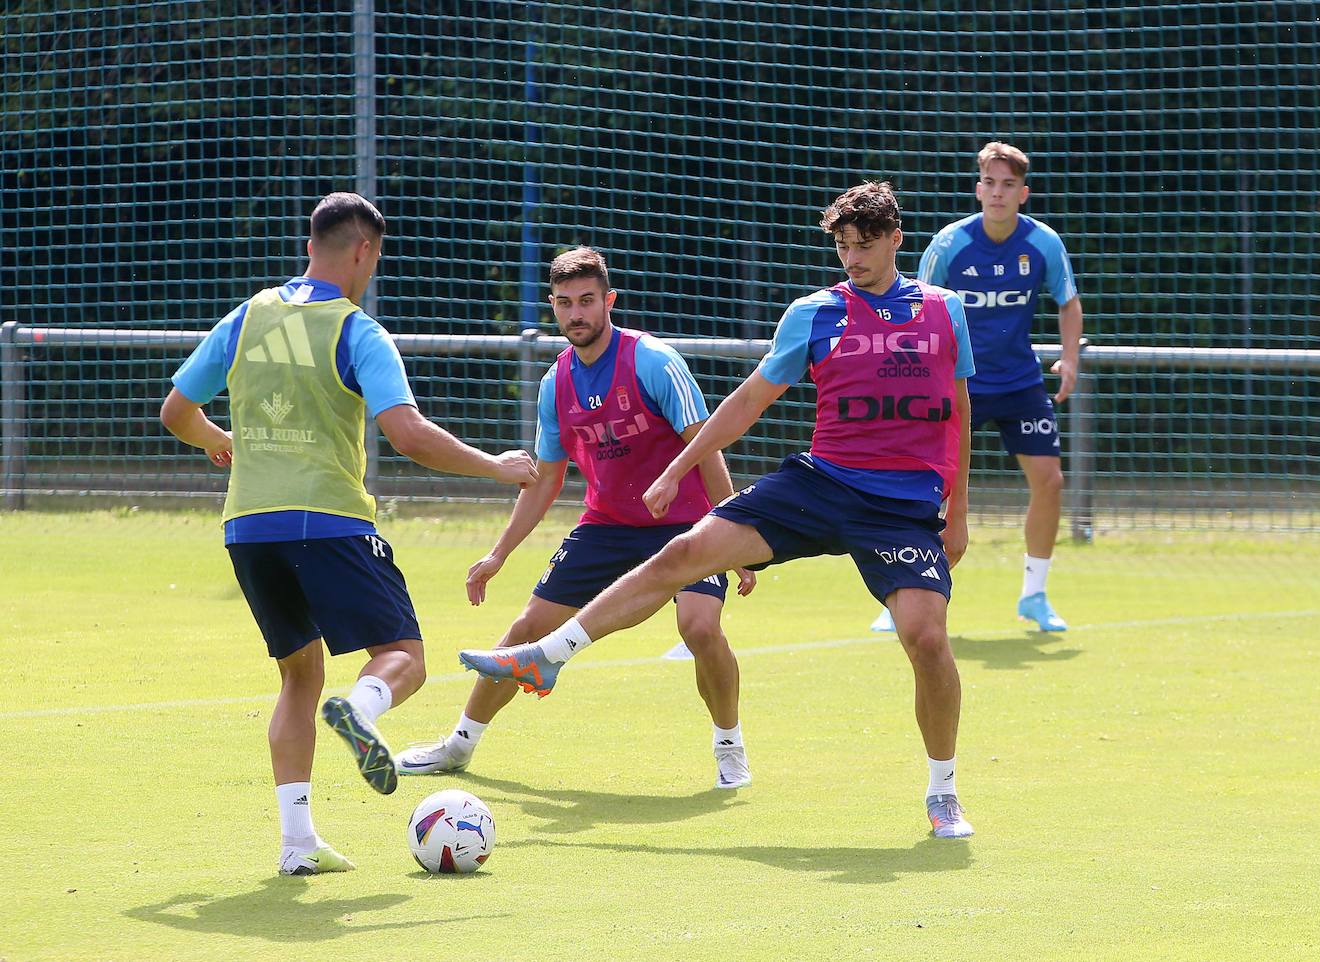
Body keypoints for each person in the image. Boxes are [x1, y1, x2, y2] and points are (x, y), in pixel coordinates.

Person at [459, 183, 979, 838]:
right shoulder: (814, 313)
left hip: (903, 504)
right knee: (682, 553)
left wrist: (957, 510)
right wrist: (678, 469)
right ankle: (548, 654)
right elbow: (747, 401)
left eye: (865, 246)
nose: (853, 259)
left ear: (896, 240)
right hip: (822, 482)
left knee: (926, 639)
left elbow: (958, 412)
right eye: (843, 247)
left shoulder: (944, 312)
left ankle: (943, 793)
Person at [159, 192, 537, 875]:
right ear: (363, 251)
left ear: (314, 243)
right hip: (329, 522)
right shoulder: (356, 329)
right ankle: (362, 709)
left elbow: (176, 409)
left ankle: (297, 845)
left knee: (297, 677)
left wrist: (220, 440)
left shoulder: (249, 316)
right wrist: (496, 466)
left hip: (247, 528)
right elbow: (409, 434)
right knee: (405, 656)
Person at [396, 247, 756, 790]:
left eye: (587, 301)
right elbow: (546, 478)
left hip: (684, 524)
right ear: (552, 307)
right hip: (608, 526)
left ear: (609, 301)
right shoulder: (555, 382)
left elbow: (706, 447)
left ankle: (729, 744)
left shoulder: (653, 361)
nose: (576, 314)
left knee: (699, 627)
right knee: (525, 629)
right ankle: (458, 745)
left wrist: (736, 535)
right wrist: (499, 553)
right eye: (564, 303)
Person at [917, 141, 1083, 632]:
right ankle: (903, 592)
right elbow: (918, 306)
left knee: (1050, 482)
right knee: (926, 488)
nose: (997, 192)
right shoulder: (950, 244)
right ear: (978, 189)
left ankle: (1034, 595)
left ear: (1023, 193)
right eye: (989, 182)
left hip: (1019, 381)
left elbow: (1068, 302)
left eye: (1008, 184)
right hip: (957, 382)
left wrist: (1069, 359)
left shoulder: (1044, 244)